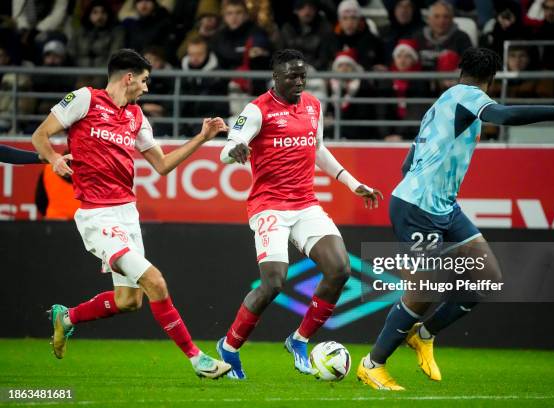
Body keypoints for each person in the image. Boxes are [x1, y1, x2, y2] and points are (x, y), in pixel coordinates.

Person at [356, 47, 554, 391]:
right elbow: (502, 115)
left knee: (485, 276)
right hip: (417, 208)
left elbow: (408, 161)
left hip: (443, 206)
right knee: (424, 289)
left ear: (461, 70)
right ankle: (373, 364)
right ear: (492, 79)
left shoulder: (443, 101)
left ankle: (423, 335)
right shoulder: (469, 96)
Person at [31, 48, 232, 379]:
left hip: (127, 213)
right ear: (128, 78)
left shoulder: (136, 117)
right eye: (144, 80)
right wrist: (54, 159)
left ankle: (66, 317)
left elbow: (162, 165)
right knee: (156, 281)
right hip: (98, 216)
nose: (146, 88)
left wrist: (202, 137)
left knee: (128, 301)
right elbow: (40, 135)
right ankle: (198, 359)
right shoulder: (85, 100)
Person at [216, 49, 382, 379]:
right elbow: (230, 144)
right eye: (292, 76)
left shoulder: (313, 106)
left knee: (339, 269)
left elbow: (318, 149)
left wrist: (353, 183)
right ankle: (230, 347)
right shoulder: (256, 110)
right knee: (273, 284)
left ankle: (299, 339)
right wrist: (232, 151)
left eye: (303, 75)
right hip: (269, 207)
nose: (299, 81)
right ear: (275, 78)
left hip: (305, 203)